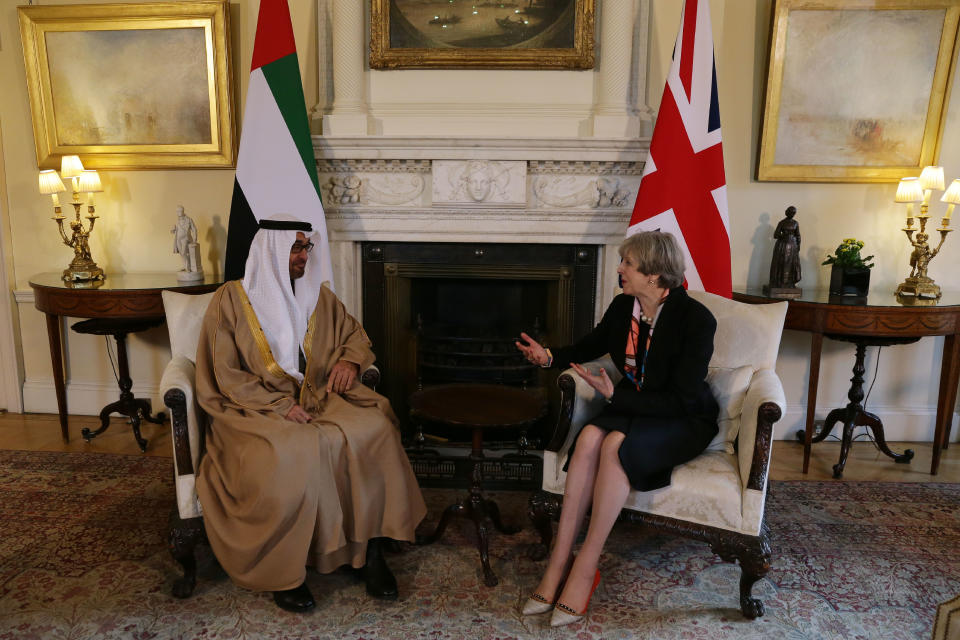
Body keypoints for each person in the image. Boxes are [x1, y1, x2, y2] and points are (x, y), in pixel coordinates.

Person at [195, 217, 427, 613]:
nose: (304, 256)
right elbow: (224, 372)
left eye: (307, 248)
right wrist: (280, 406)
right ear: (271, 251)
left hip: (320, 395)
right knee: (296, 451)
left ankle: (369, 552)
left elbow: (354, 336)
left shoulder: (318, 297)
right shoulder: (230, 301)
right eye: (296, 249)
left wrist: (352, 364)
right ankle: (285, 570)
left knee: (374, 429)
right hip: (255, 407)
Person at [514, 231, 719, 627]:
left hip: (682, 417)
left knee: (614, 447)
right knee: (589, 437)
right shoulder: (624, 306)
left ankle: (586, 567)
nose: (620, 268)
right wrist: (549, 356)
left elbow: (681, 398)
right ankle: (558, 562)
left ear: (656, 277)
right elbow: (591, 344)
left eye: (628, 263)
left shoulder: (696, 321)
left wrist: (614, 397)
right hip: (634, 404)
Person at [769, 205, 801, 289]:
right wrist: (784, 235)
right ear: (787, 212)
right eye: (791, 212)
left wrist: (798, 246)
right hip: (782, 246)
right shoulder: (782, 223)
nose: (792, 214)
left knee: (792, 264)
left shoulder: (795, 223)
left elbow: (798, 235)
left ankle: (790, 282)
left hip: (793, 246)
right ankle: (780, 281)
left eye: (794, 213)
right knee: (782, 263)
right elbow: (775, 235)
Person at [171, 205, 198, 272]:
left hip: (186, 238)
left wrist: (195, 239)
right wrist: (173, 230)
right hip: (178, 239)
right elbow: (175, 230)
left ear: (183, 211)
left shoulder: (189, 219)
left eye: (180, 211)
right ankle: (185, 266)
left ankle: (187, 267)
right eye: (177, 211)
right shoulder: (177, 221)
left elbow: (194, 229)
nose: (179, 212)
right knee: (181, 253)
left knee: (183, 252)